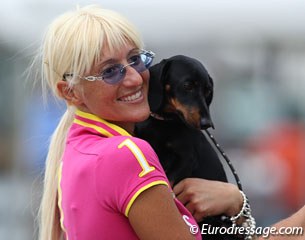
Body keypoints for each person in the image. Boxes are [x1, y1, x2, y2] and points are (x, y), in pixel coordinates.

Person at [33, 5, 247, 240]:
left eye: (135, 59)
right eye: (111, 71)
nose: (135, 79)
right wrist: (238, 205)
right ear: (71, 93)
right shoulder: (128, 153)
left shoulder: (74, 150)